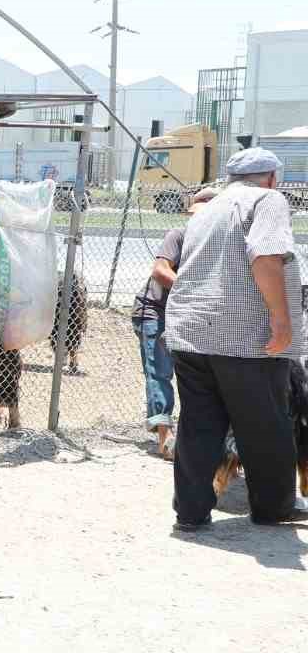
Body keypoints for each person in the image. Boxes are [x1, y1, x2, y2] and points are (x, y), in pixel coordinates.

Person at [163, 148, 308, 530]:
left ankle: (190, 513)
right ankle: (273, 508)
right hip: (245, 338)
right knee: (266, 426)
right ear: (272, 178)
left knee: (199, 425)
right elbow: (265, 257)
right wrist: (281, 322)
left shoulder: (207, 207)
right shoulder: (268, 200)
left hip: (190, 333)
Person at [131, 187, 217, 460]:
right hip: (155, 311)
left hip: (187, 316)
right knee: (159, 370)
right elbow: (160, 270)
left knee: (195, 376)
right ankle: (164, 437)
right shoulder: (178, 236)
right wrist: (190, 289)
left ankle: (193, 435)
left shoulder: (217, 246)